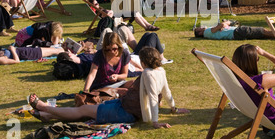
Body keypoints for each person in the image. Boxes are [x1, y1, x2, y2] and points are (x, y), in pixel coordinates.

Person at [28, 47, 189, 128]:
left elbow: (154, 98)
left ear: (144, 62)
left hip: (125, 112)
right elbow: (166, 92)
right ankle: (48, 116)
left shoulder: (147, 73)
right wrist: (174, 108)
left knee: (83, 110)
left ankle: (45, 108)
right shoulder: (160, 70)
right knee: (91, 109)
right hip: (123, 104)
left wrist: (155, 122)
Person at [0, 45, 64, 66]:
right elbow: (16, 61)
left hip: (25, 50)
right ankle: (70, 52)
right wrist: (13, 50)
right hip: (27, 54)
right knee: (54, 51)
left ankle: (67, 50)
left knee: (53, 49)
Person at [194, 20, 274, 40]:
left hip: (235, 33)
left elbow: (219, 27)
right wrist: (228, 22)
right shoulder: (207, 32)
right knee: (262, 31)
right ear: (200, 33)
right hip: (236, 32)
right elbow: (222, 25)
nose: (202, 26)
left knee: (261, 34)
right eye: (199, 28)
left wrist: (222, 25)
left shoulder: (208, 33)